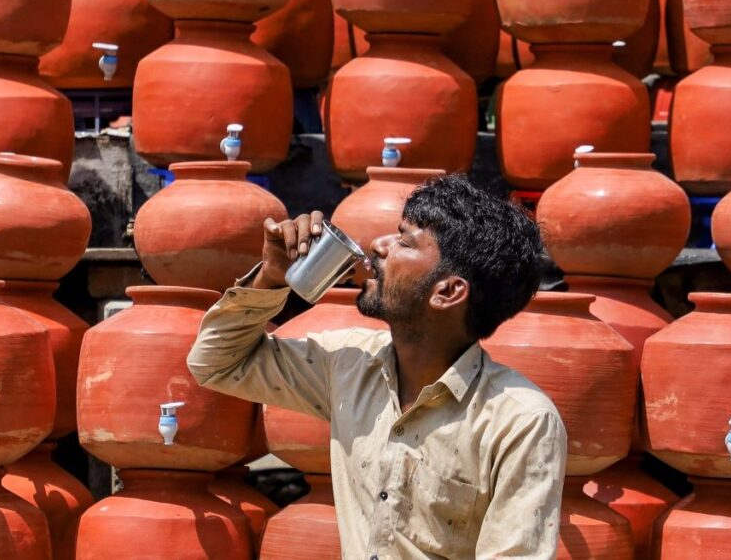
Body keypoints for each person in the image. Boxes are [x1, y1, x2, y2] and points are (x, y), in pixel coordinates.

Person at [188, 174, 567, 559]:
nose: (377, 246)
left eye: (404, 241)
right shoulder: (351, 364)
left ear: (448, 292)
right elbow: (218, 361)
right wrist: (271, 276)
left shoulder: (520, 422)